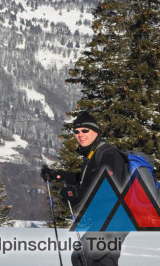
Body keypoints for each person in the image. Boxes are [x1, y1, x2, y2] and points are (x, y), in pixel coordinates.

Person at [40, 112, 128, 266]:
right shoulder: (93, 154)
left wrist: (78, 195)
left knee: (82, 257)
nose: (80, 135)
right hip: (109, 218)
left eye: (85, 130)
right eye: (76, 131)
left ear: (96, 132)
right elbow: (87, 179)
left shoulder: (108, 154)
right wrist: (58, 175)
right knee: (102, 261)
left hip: (115, 218)